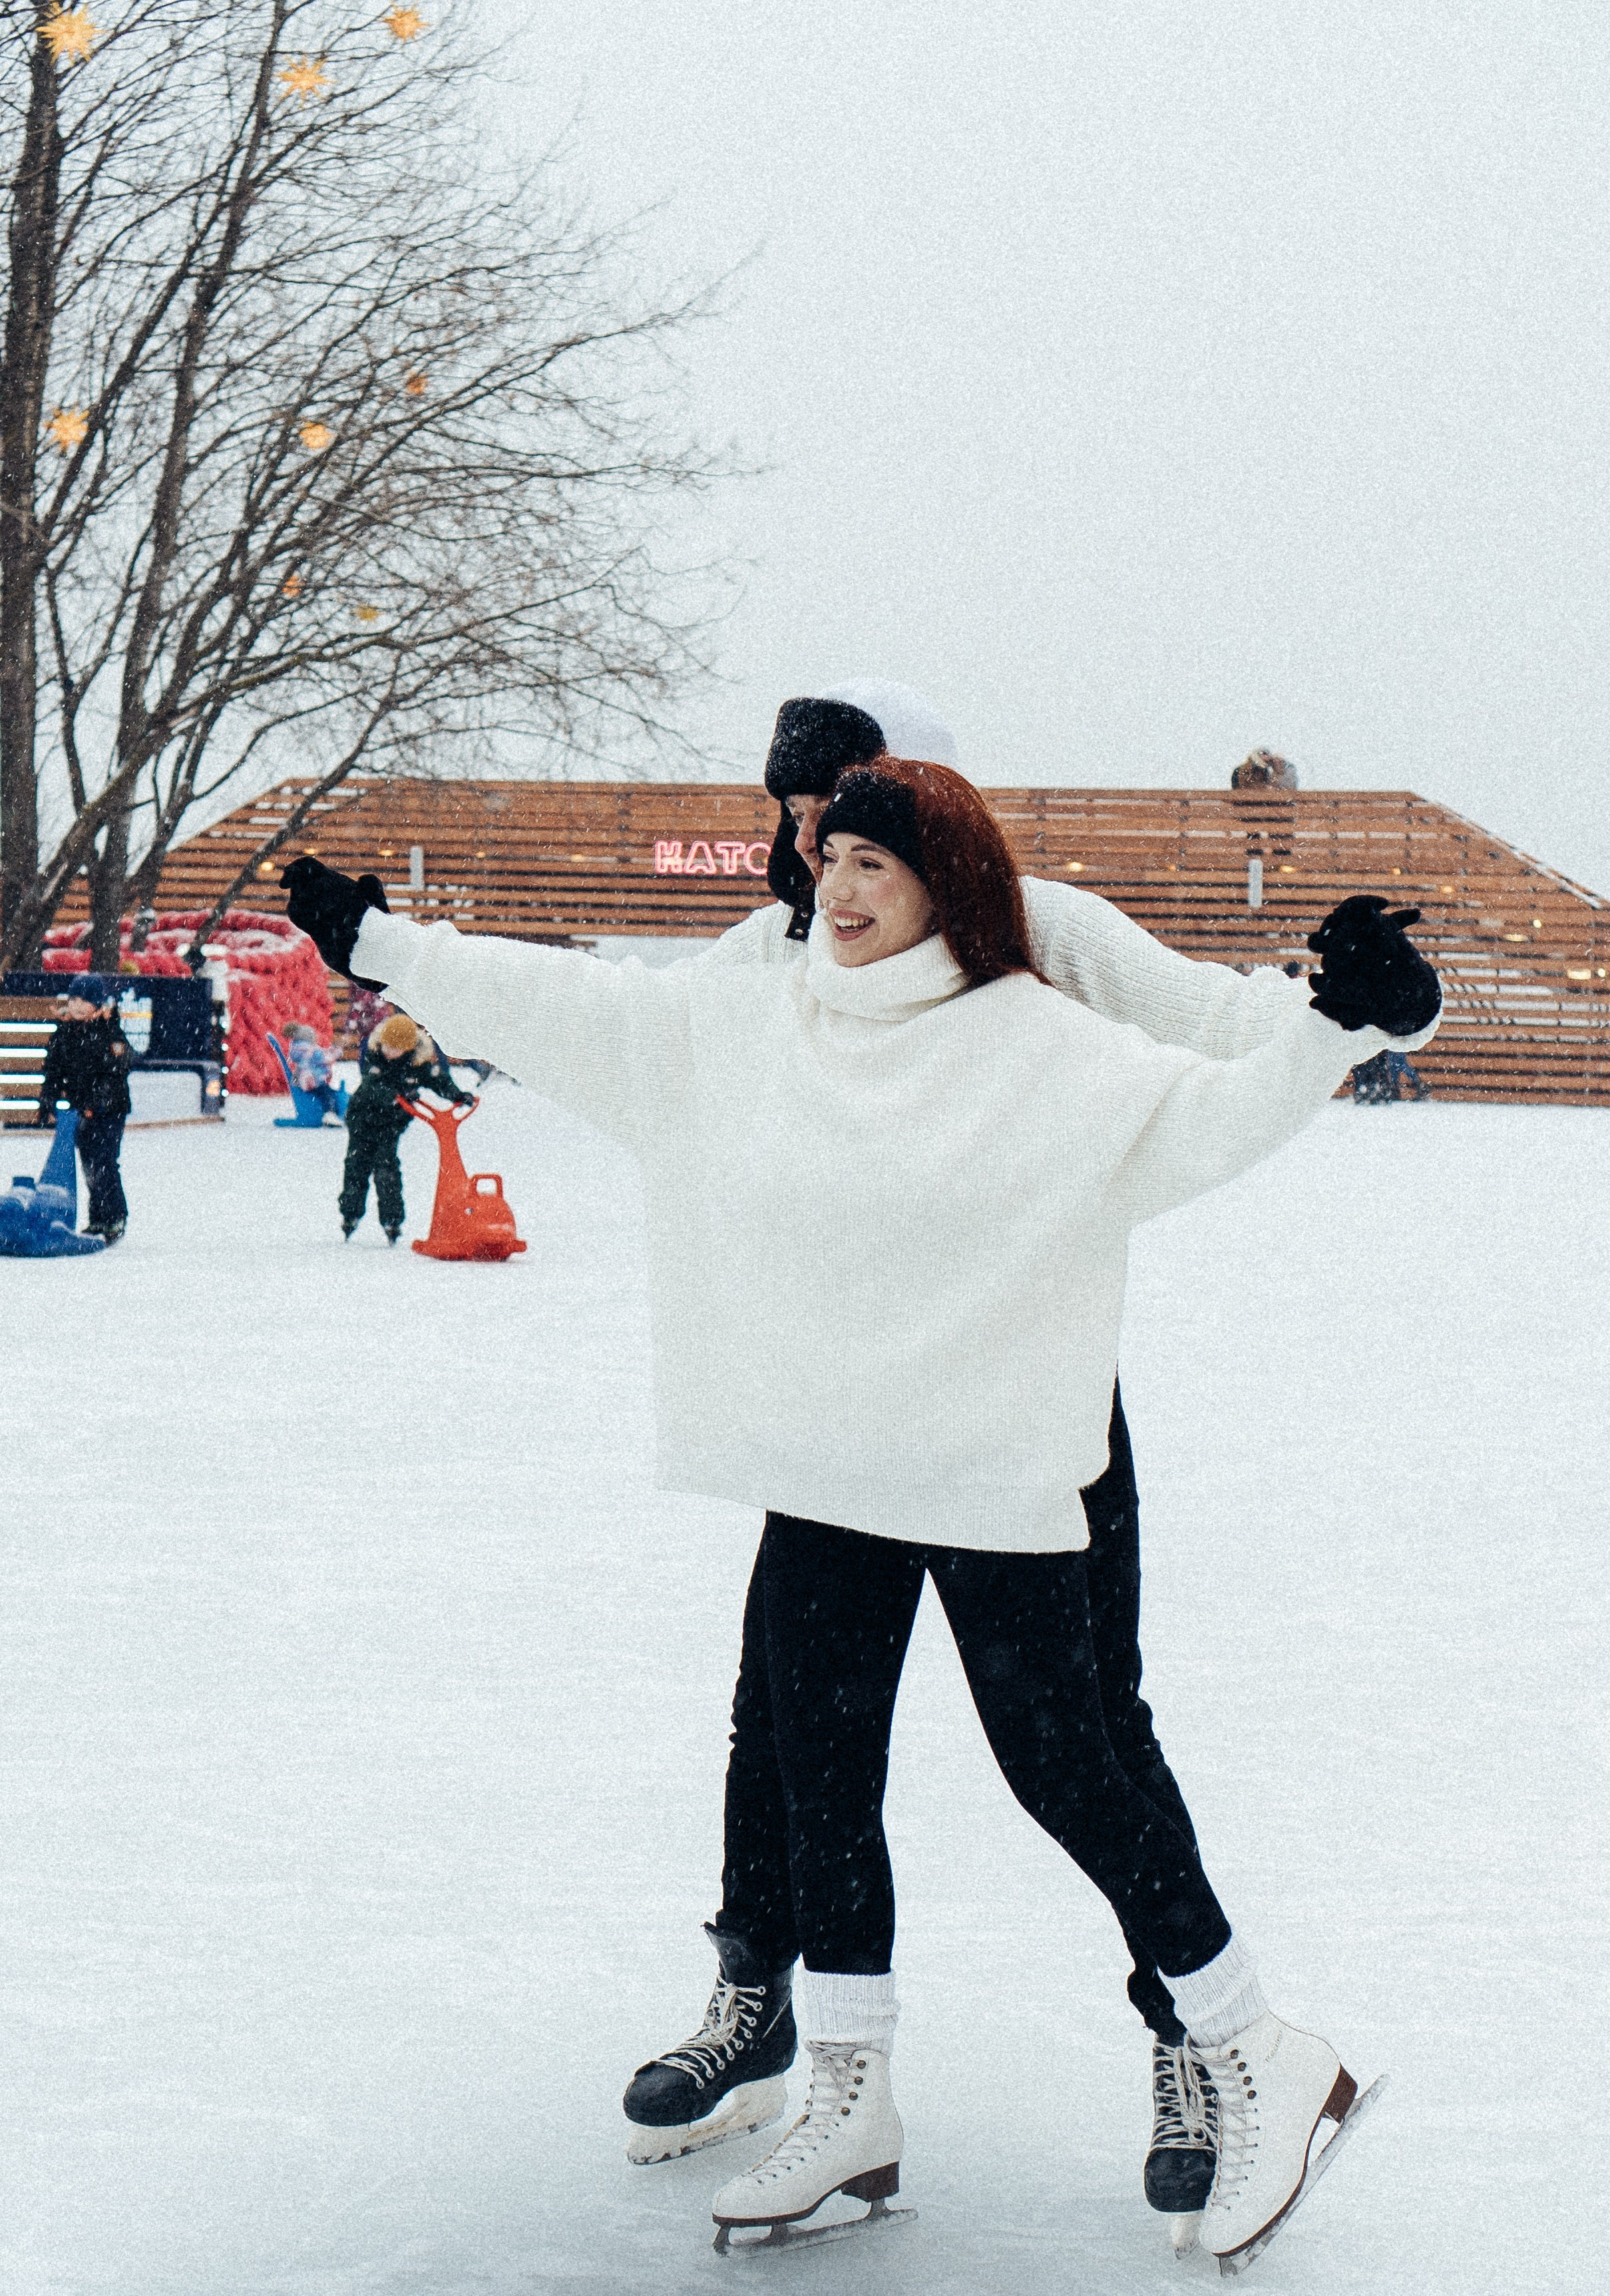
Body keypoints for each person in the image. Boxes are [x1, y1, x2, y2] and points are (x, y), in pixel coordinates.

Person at [283, 763, 1439, 2269]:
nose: (833, 886)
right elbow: (587, 1015)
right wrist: (387, 948)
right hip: (831, 1461)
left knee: (1066, 1763)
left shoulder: (1037, 1037)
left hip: (998, 1452)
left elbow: (1212, 1112)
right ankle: (845, 2092)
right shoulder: (762, 1016)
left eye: (871, 865)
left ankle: (1250, 2046)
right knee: (812, 1767)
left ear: (943, 880)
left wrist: (1339, 1020)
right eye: (826, 857)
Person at [623, 683, 1319, 2239]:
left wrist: (1336, 1010)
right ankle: (766, 1999)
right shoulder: (778, 957)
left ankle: (1193, 2041)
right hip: (842, 1406)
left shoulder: (1036, 929)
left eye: (843, 827)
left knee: (1080, 1720)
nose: (816, 860)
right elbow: (660, 1062)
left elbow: (1213, 1033)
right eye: (797, 828)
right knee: (787, 1708)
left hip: (1029, 1399)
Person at [338, 1012, 468, 1243]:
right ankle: (351, 1214)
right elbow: (371, 1086)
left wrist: (457, 1095)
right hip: (362, 1120)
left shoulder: (417, 1063)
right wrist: (397, 1095)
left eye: (395, 1049)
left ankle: (392, 1221)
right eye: (387, 1046)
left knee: (387, 1170)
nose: (389, 1052)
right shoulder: (374, 1056)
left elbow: (438, 1080)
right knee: (357, 1167)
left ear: (408, 1049)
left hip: (392, 1124)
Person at [36, 974, 132, 1243]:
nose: (77, 1005)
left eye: (84, 1001)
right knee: (89, 1164)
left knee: (104, 1162)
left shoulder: (109, 1031)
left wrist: (97, 1103)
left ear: (96, 1004)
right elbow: (53, 1070)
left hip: (110, 1110)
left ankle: (114, 1216)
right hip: (82, 1109)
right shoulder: (65, 1032)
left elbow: (117, 1070)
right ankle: (98, 1218)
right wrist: (48, 1101)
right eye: (73, 999)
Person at [284, 1021, 343, 1118]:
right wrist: (337, 1050)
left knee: (327, 1092)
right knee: (326, 1094)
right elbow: (326, 1058)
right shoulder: (310, 1050)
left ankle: (329, 1112)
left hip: (306, 1079)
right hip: (313, 1081)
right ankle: (330, 1113)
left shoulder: (297, 1047)